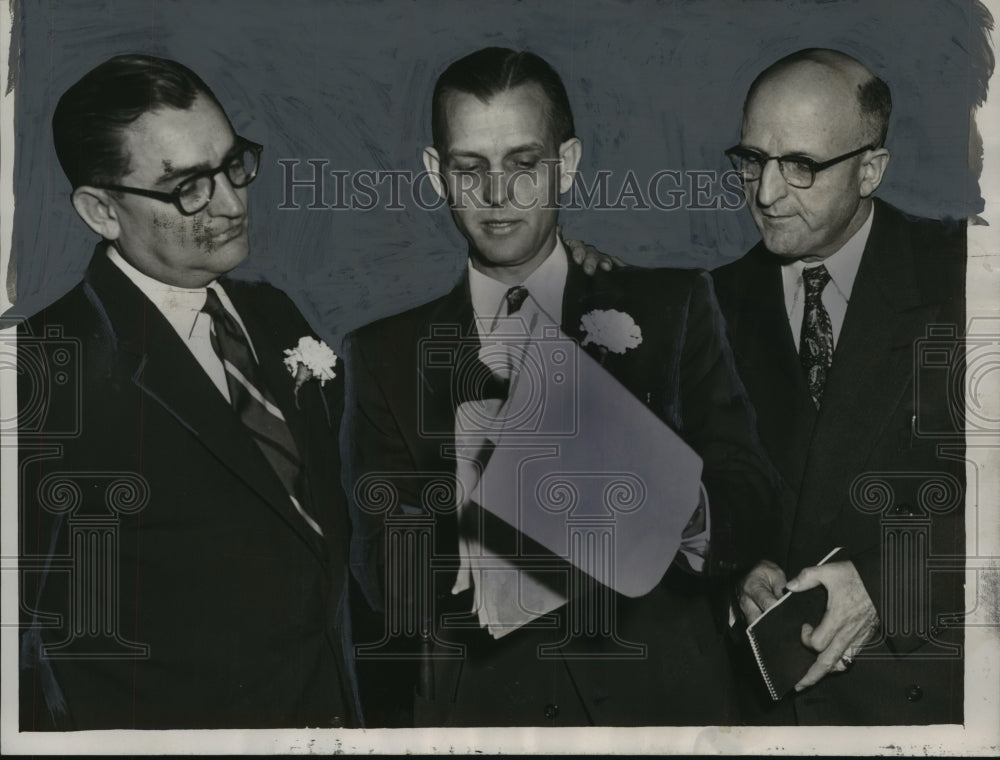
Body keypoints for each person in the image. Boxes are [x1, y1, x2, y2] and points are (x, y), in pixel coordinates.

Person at [343, 46, 777, 727]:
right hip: (491, 716)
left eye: (523, 164)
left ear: (566, 165)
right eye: (469, 168)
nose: (496, 195)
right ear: (436, 174)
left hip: (664, 711)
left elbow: (750, 497)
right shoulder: (382, 354)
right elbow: (384, 585)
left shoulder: (671, 307)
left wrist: (671, 503)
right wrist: (471, 504)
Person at [14, 54, 358, 729]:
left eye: (232, 165)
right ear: (101, 210)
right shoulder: (42, 368)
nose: (231, 203)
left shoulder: (273, 314)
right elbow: (32, 641)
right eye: (186, 188)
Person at [712, 48, 966, 725]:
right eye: (752, 160)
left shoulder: (970, 278)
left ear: (870, 170)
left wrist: (887, 583)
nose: (765, 194)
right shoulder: (710, 303)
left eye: (800, 166)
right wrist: (735, 572)